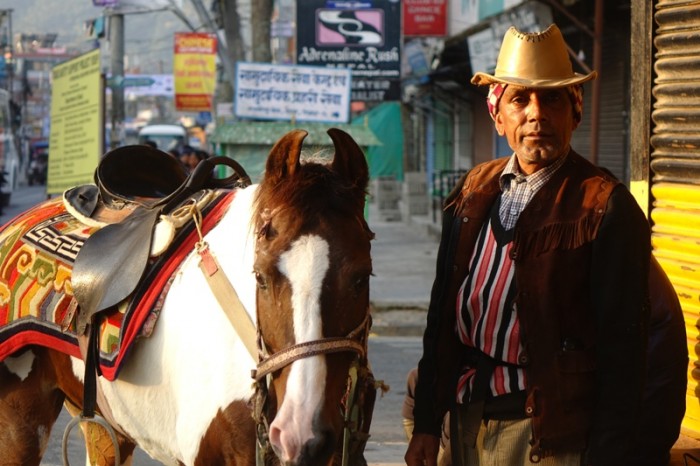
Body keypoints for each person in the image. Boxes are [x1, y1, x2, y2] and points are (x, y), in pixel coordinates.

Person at [404, 24, 685, 466]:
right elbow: (442, 316)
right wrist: (425, 423)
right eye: (520, 99)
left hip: (548, 439)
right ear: (498, 116)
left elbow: (625, 355)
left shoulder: (605, 207)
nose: (536, 113)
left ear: (575, 112)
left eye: (552, 97)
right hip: (464, 423)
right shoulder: (473, 192)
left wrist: (610, 456)